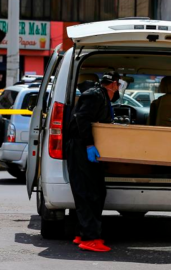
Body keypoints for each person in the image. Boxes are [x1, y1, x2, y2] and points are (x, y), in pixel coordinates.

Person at [67, 72, 121, 252]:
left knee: (94, 191)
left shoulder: (101, 96)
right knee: (89, 193)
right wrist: (89, 144)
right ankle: (90, 239)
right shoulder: (95, 95)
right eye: (119, 85)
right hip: (81, 148)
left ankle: (82, 233)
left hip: (85, 148)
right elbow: (81, 118)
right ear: (114, 84)